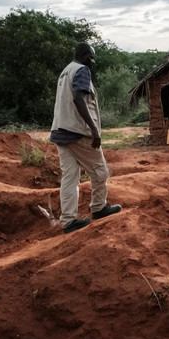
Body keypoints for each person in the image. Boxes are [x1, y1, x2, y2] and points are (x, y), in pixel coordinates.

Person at [50, 42, 121, 234]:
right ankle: (99, 207)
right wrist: (94, 130)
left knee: (70, 178)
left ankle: (68, 221)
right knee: (100, 171)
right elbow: (79, 99)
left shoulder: (65, 71)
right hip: (77, 132)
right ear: (84, 56)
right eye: (91, 56)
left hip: (60, 131)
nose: (93, 61)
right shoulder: (82, 70)